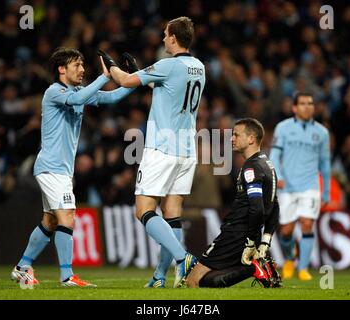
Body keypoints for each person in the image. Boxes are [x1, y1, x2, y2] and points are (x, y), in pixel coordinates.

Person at [11, 47, 135, 287]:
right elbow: (77, 99)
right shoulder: (54, 92)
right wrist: (104, 77)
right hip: (51, 167)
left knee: (51, 221)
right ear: (61, 69)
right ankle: (67, 276)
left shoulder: (80, 91)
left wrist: (133, 80)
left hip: (62, 171)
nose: (82, 69)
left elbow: (111, 97)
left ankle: (22, 267)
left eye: (82, 65)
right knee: (68, 215)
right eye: (76, 65)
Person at [100, 16, 205, 288]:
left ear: (173, 38)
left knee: (143, 210)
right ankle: (161, 277)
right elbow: (169, 90)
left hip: (162, 148)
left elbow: (124, 81)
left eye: (165, 34)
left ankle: (184, 259)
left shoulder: (167, 65)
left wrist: (110, 66)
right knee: (172, 213)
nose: (162, 39)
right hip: (187, 150)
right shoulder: (198, 66)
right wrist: (144, 75)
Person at [185, 118, 281, 288]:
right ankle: (255, 268)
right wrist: (265, 240)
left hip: (236, 233)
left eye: (236, 135)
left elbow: (257, 208)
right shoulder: (268, 166)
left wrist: (250, 242)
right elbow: (274, 207)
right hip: (247, 234)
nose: (232, 138)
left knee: (192, 281)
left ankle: (254, 269)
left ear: (251, 139)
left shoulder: (252, 167)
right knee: (208, 280)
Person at [269, 92, 331, 281]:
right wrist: (278, 176)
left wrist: (326, 191)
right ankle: (290, 258)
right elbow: (274, 156)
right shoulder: (283, 128)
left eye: (310, 103)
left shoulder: (321, 132)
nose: (307, 106)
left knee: (307, 224)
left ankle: (303, 268)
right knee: (286, 230)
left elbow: (325, 163)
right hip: (287, 186)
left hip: (310, 186)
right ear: (294, 108)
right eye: (303, 103)